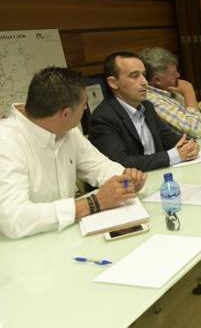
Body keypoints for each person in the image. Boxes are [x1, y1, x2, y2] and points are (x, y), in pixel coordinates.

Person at [0, 66, 147, 239]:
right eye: (84, 105)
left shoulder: (67, 130)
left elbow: (99, 166)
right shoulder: (6, 141)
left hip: (67, 236)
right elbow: (14, 219)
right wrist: (92, 203)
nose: (86, 108)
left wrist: (124, 179)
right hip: (23, 250)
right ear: (66, 113)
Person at [89, 51, 199, 172]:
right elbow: (120, 163)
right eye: (135, 76)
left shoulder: (147, 107)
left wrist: (188, 146)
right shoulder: (103, 118)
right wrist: (173, 155)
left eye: (144, 75)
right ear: (113, 83)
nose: (144, 82)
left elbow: (168, 138)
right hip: (130, 185)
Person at [139, 47, 201, 137]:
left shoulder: (169, 90)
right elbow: (200, 133)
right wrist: (189, 92)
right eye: (174, 72)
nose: (178, 75)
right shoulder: (152, 101)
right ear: (157, 79)